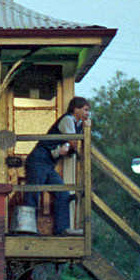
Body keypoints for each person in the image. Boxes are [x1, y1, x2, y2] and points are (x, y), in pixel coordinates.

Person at [24, 97, 91, 235]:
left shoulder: (77, 124)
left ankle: (61, 229)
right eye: (85, 110)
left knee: (63, 193)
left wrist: (85, 128)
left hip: (48, 163)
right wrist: (67, 144)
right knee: (33, 193)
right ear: (76, 108)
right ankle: (28, 229)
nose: (87, 113)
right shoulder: (68, 119)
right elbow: (73, 141)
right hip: (39, 159)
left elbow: (73, 144)